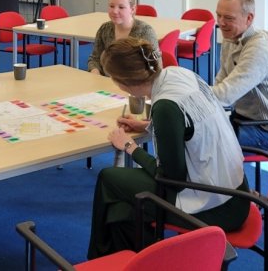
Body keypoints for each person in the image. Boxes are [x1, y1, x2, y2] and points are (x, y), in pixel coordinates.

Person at [87, 37, 249, 259]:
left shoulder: (164, 107)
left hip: (216, 205)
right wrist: (148, 125)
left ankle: (107, 258)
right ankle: (128, 259)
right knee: (123, 209)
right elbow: (190, 126)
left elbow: (170, 177)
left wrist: (130, 146)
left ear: (123, 83)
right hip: (235, 189)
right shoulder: (178, 74)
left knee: (109, 179)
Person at [212, 0, 268, 155]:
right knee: (194, 131)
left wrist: (188, 97)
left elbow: (225, 95)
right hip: (243, 119)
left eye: (228, 18)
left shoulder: (259, 46)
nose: (221, 23)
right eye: (218, 15)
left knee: (202, 140)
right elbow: (221, 81)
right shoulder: (231, 37)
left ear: (249, 18)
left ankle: (216, 181)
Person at [86, 0, 160, 75]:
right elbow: (95, 58)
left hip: (135, 85)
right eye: (111, 6)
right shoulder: (104, 29)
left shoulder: (145, 32)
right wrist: (95, 71)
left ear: (132, 9)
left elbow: (155, 67)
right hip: (107, 83)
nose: (115, 11)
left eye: (121, 7)